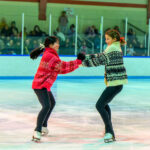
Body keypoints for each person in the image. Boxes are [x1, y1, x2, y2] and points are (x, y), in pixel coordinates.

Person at [30, 36, 85, 142]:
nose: (58, 45)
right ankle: (37, 130)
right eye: (57, 43)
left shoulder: (50, 54)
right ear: (50, 45)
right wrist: (78, 62)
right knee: (46, 106)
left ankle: (43, 126)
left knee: (52, 103)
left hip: (44, 85)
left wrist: (78, 62)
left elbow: (62, 68)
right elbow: (63, 67)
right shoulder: (50, 56)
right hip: (40, 86)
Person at [82, 29, 128, 143]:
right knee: (104, 104)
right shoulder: (115, 47)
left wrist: (82, 63)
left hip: (115, 83)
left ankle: (110, 132)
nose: (106, 41)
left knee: (99, 105)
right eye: (106, 39)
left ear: (114, 39)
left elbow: (100, 60)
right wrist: (85, 56)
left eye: (108, 39)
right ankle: (108, 129)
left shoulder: (113, 48)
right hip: (116, 83)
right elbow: (101, 55)